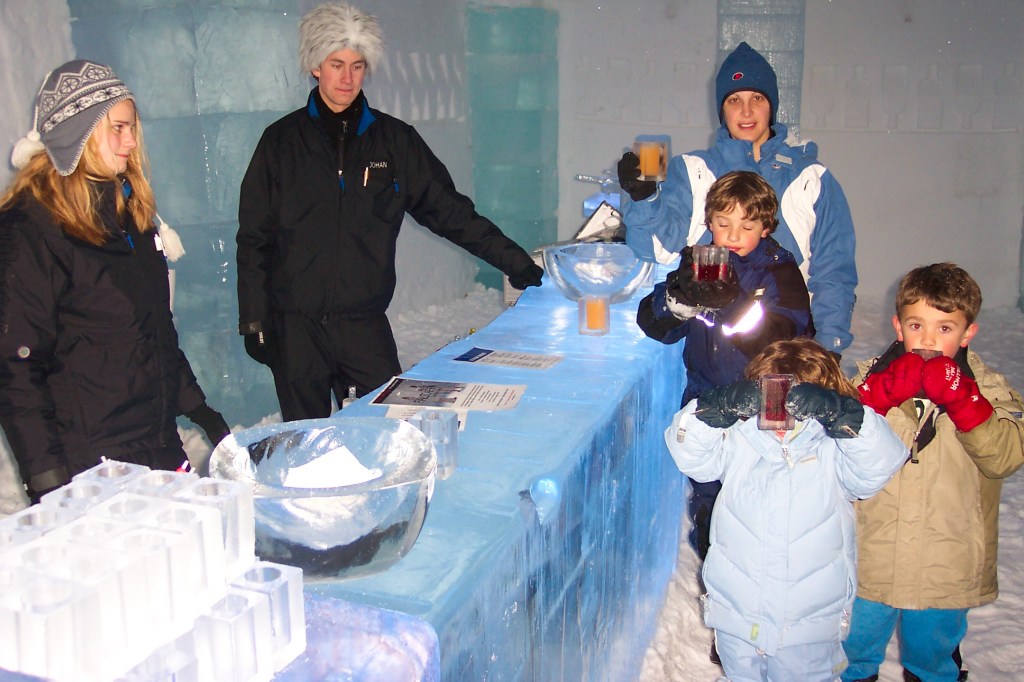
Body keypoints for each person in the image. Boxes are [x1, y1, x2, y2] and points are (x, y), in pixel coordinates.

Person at [237, 2, 544, 421]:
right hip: (296, 328)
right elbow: (255, 237)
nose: (347, 78)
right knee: (305, 445)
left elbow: (450, 212)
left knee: (389, 432)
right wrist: (254, 318)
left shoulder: (394, 143)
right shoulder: (280, 143)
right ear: (315, 66)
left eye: (358, 66)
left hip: (363, 326)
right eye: (336, 64)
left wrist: (516, 263)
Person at [0, 60, 230, 503]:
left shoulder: (130, 216)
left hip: (157, 443)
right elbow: (16, 366)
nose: (130, 142)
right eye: (118, 129)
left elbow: (154, 330)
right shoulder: (32, 227)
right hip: (92, 468)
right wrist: (48, 480)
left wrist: (199, 409)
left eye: (132, 129)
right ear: (78, 132)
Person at [665, 337, 907, 682]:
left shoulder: (836, 449)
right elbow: (689, 455)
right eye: (771, 395)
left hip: (807, 626)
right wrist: (711, 409)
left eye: (796, 402)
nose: (782, 413)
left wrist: (846, 415)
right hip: (738, 617)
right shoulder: (739, 438)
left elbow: (879, 465)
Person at [842, 263, 1024, 682]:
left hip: (946, 558)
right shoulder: (866, 378)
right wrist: (878, 397)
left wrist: (966, 402)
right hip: (871, 554)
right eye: (916, 325)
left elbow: (1005, 456)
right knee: (851, 651)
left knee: (932, 659)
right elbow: (834, 448)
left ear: (967, 333)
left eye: (945, 328)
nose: (927, 339)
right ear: (898, 327)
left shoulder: (988, 388)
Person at [618, 41, 856, 358]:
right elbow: (655, 248)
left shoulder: (810, 180)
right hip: (707, 342)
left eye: (757, 98)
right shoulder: (693, 170)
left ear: (771, 106)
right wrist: (644, 197)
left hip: (782, 345)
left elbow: (833, 275)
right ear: (722, 110)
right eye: (734, 100)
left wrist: (829, 350)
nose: (746, 111)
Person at [636, 170, 812, 563]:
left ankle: (763, 570)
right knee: (708, 490)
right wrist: (676, 302)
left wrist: (733, 304)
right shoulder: (699, 264)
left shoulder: (780, 273)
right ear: (708, 222)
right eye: (722, 224)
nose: (732, 235)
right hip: (708, 395)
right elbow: (653, 323)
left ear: (766, 227)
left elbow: (784, 341)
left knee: (762, 491)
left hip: (766, 404)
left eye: (746, 225)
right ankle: (713, 564)